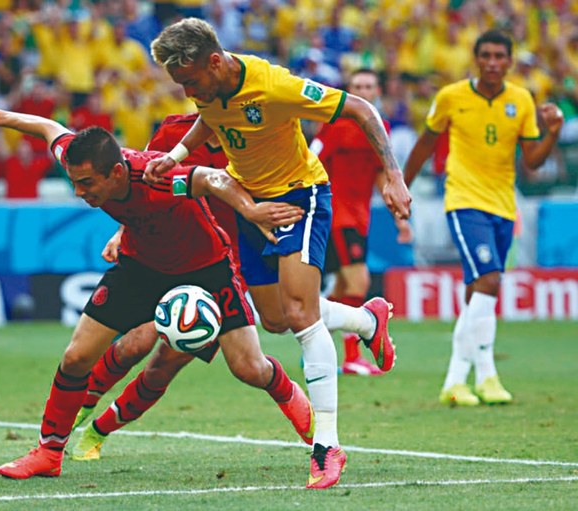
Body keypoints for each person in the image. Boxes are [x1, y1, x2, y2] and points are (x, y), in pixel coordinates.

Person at [0, 80, 315, 481]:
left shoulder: (154, 178)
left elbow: (211, 179)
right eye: (74, 181)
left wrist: (251, 210)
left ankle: (301, 408)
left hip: (206, 267)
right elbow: (49, 128)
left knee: (249, 368)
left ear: (117, 172)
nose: (79, 191)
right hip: (141, 265)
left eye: (87, 184)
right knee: (76, 357)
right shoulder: (83, 157)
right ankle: (49, 453)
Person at [144, 18, 412, 489]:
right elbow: (212, 117)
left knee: (301, 316)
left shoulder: (274, 86)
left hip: (300, 198)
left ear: (214, 61)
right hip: (253, 204)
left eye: (190, 81)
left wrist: (393, 174)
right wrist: (178, 155)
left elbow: (361, 108)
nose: (188, 93)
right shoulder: (208, 88)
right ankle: (366, 321)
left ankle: (326, 446)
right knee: (274, 319)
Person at [67, 112, 248, 460]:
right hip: (160, 256)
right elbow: (138, 186)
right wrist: (121, 231)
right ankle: (82, 404)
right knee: (135, 342)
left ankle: (98, 431)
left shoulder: (256, 132)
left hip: (220, 263)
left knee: (166, 362)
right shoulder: (173, 132)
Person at [403, 29, 563, 407]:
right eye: (486, 55)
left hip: (503, 205)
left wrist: (553, 133)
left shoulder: (521, 100)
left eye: (499, 56)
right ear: (476, 59)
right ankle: (485, 375)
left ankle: (456, 382)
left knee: (478, 290)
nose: (492, 62)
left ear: (509, 61)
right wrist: (401, 187)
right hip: (463, 200)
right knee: (490, 281)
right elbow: (425, 144)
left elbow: (532, 161)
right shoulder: (451, 97)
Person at [311, 68, 413, 376]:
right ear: (349, 91)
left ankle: (313, 344)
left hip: (359, 217)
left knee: (343, 288)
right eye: (357, 86)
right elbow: (311, 160)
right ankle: (352, 357)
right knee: (359, 283)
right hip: (335, 216)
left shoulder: (380, 127)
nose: (363, 91)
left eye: (369, 86)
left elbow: (382, 173)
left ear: (378, 91)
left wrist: (399, 218)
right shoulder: (335, 124)